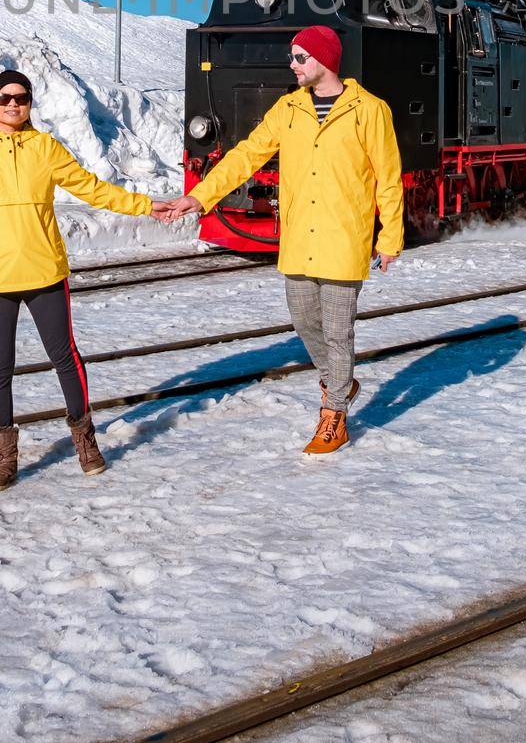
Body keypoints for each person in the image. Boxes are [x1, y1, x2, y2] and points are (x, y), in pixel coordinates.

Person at [0, 69, 175, 491]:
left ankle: (85, 441)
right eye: (5, 97)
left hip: (44, 271)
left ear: (29, 104)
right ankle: (4, 457)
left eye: (21, 98)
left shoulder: (45, 148)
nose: (13, 104)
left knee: (67, 360)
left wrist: (144, 206)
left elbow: (93, 189)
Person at [166, 26, 404, 456]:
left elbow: (388, 179)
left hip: (344, 237)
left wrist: (390, 238)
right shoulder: (288, 108)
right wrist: (199, 196)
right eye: (292, 58)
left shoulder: (370, 110)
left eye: (299, 58)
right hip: (299, 236)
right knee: (303, 319)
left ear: (324, 60)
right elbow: (245, 155)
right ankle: (342, 381)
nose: (291, 66)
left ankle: (334, 415)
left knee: (337, 329)